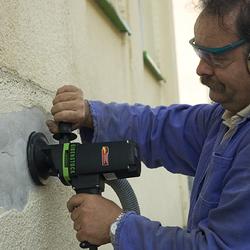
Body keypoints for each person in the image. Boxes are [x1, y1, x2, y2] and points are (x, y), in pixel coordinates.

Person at [46, 0, 250, 249]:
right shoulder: (226, 119)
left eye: (217, 58)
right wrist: (89, 114)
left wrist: (117, 226)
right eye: (200, 52)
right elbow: (160, 128)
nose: (200, 69)